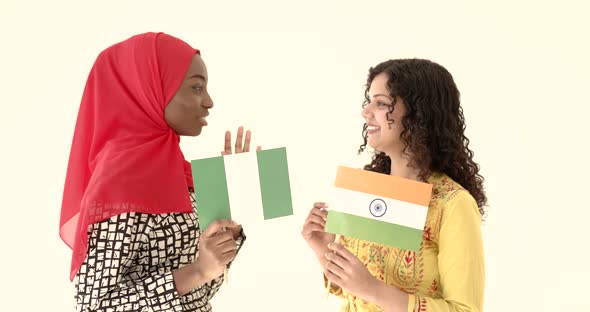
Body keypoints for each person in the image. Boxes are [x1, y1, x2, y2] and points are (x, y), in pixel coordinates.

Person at [59, 32, 259, 311]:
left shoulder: (181, 175)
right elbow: (94, 305)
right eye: (196, 88)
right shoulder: (120, 185)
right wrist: (197, 271)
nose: (209, 101)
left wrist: (228, 222)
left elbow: (201, 292)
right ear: (150, 88)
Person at [302, 59, 486, 312]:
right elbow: (354, 296)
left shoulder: (453, 204)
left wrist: (373, 289)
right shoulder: (366, 192)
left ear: (417, 113)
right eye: (369, 102)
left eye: (380, 103)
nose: (366, 112)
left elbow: (465, 310)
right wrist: (324, 252)